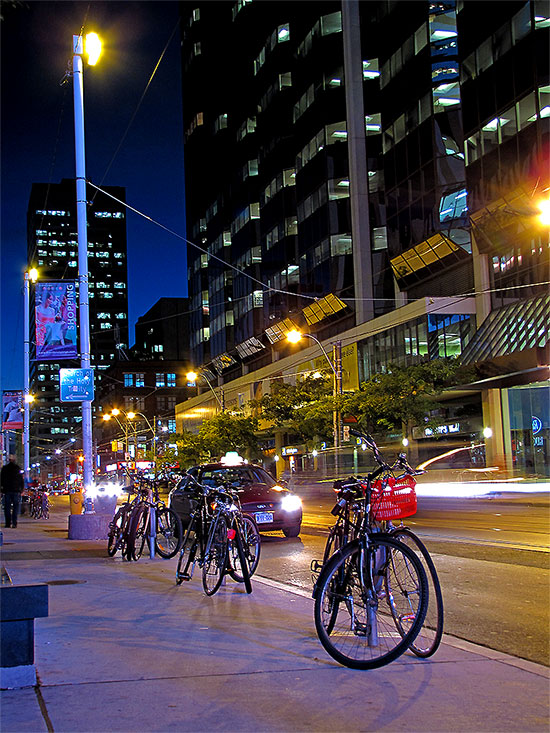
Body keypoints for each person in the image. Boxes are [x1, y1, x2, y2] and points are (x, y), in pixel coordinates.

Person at [1, 455, 25, 528]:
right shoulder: (17, 468)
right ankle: (14, 523)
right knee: (15, 507)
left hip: (7, 490)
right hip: (16, 490)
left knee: (7, 507)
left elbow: (1, 479)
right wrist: (21, 489)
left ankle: (8, 523)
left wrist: (2, 490)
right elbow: (21, 480)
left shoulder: (5, 469)